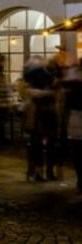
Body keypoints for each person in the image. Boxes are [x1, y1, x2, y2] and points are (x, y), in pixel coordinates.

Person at [20, 58, 59, 182]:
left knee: (36, 145)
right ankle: (45, 171)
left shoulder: (31, 84)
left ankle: (36, 171)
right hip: (46, 117)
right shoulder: (50, 82)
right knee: (47, 145)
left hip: (38, 118)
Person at [62, 65, 82, 194]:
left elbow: (66, 110)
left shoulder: (71, 88)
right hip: (76, 124)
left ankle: (80, 180)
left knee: (78, 156)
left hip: (75, 126)